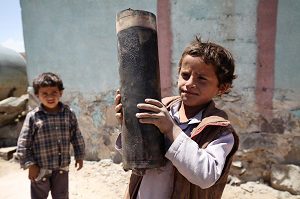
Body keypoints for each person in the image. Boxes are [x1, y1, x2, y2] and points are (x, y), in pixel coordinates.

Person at [114, 36, 239, 199]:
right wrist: (128, 125)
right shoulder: (161, 109)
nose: (189, 83)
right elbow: (135, 155)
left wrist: (171, 129)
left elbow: (206, 176)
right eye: (185, 75)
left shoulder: (218, 130)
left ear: (222, 87)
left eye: (201, 79)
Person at [17, 72, 85, 199]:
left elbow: (76, 135)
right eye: (45, 93)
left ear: (61, 93)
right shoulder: (33, 117)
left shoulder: (68, 113)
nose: (50, 97)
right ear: (37, 95)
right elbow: (23, 143)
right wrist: (30, 164)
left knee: (62, 196)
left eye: (54, 92)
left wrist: (79, 155)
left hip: (62, 168)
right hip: (40, 168)